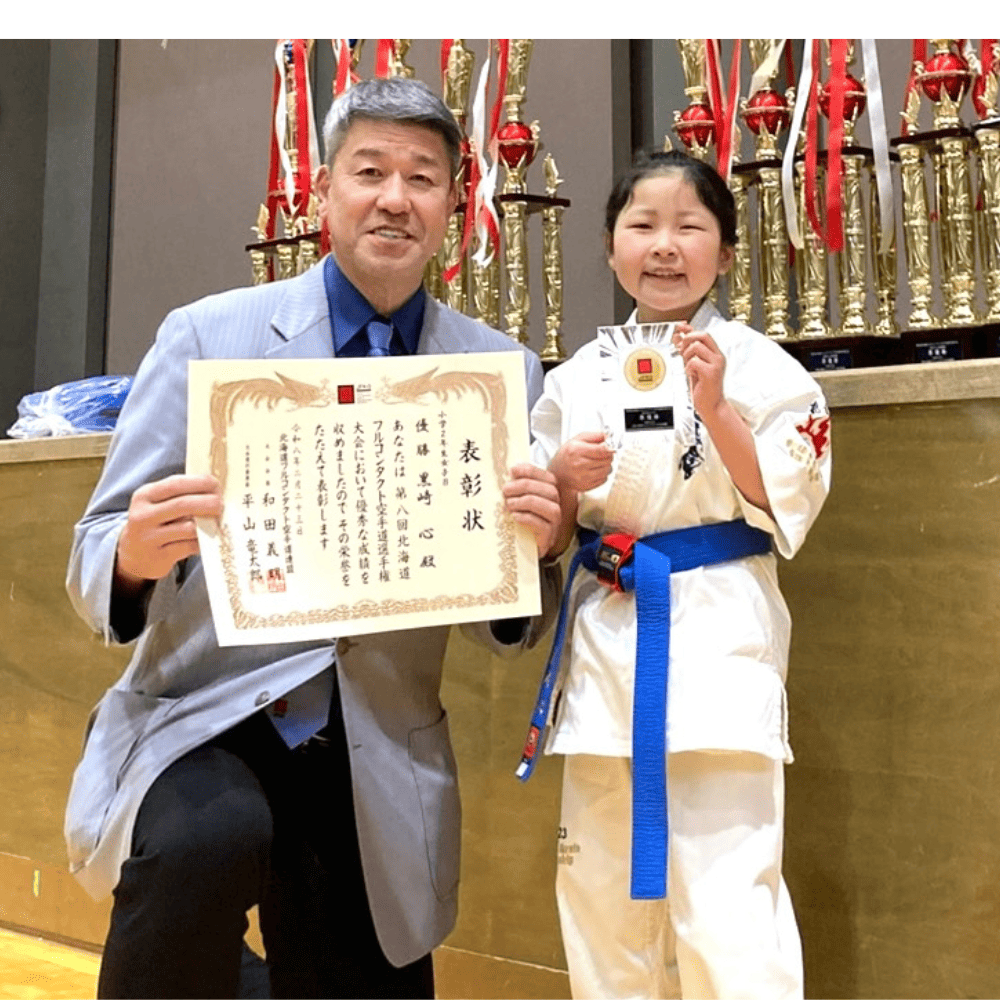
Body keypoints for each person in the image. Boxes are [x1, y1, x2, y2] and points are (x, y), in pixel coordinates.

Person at [64, 77, 562, 1000]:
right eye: (369, 171)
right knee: (203, 845)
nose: (394, 197)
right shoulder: (208, 337)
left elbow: (512, 621)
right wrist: (135, 557)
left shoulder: (500, 371)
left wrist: (538, 549)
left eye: (422, 177)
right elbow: (96, 545)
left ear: (454, 201)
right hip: (204, 713)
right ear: (323, 191)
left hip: (376, 735)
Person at [521, 149, 831, 999]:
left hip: (716, 641)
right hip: (608, 645)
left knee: (729, 902)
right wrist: (563, 483)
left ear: (725, 253)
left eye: (690, 226)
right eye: (642, 225)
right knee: (599, 899)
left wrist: (719, 409)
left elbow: (786, 499)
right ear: (612, 245)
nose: (665, 245)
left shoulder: (765, 368)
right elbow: (540, 527)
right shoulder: (578, 375)